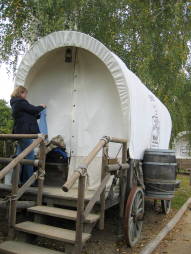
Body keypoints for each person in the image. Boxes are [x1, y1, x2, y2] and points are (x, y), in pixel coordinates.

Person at [9, 85, 46, 185]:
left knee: (18, 158)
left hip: (19, 132)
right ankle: (28, 182)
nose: (26, 96)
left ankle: (15, 182)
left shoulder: (15, 103)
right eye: (25, 94)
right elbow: (32, 109)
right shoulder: (20, 102)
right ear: (21, 93)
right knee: (30, 157)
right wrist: (41, 107)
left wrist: (38, 114)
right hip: (25, 132)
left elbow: (28, 114)